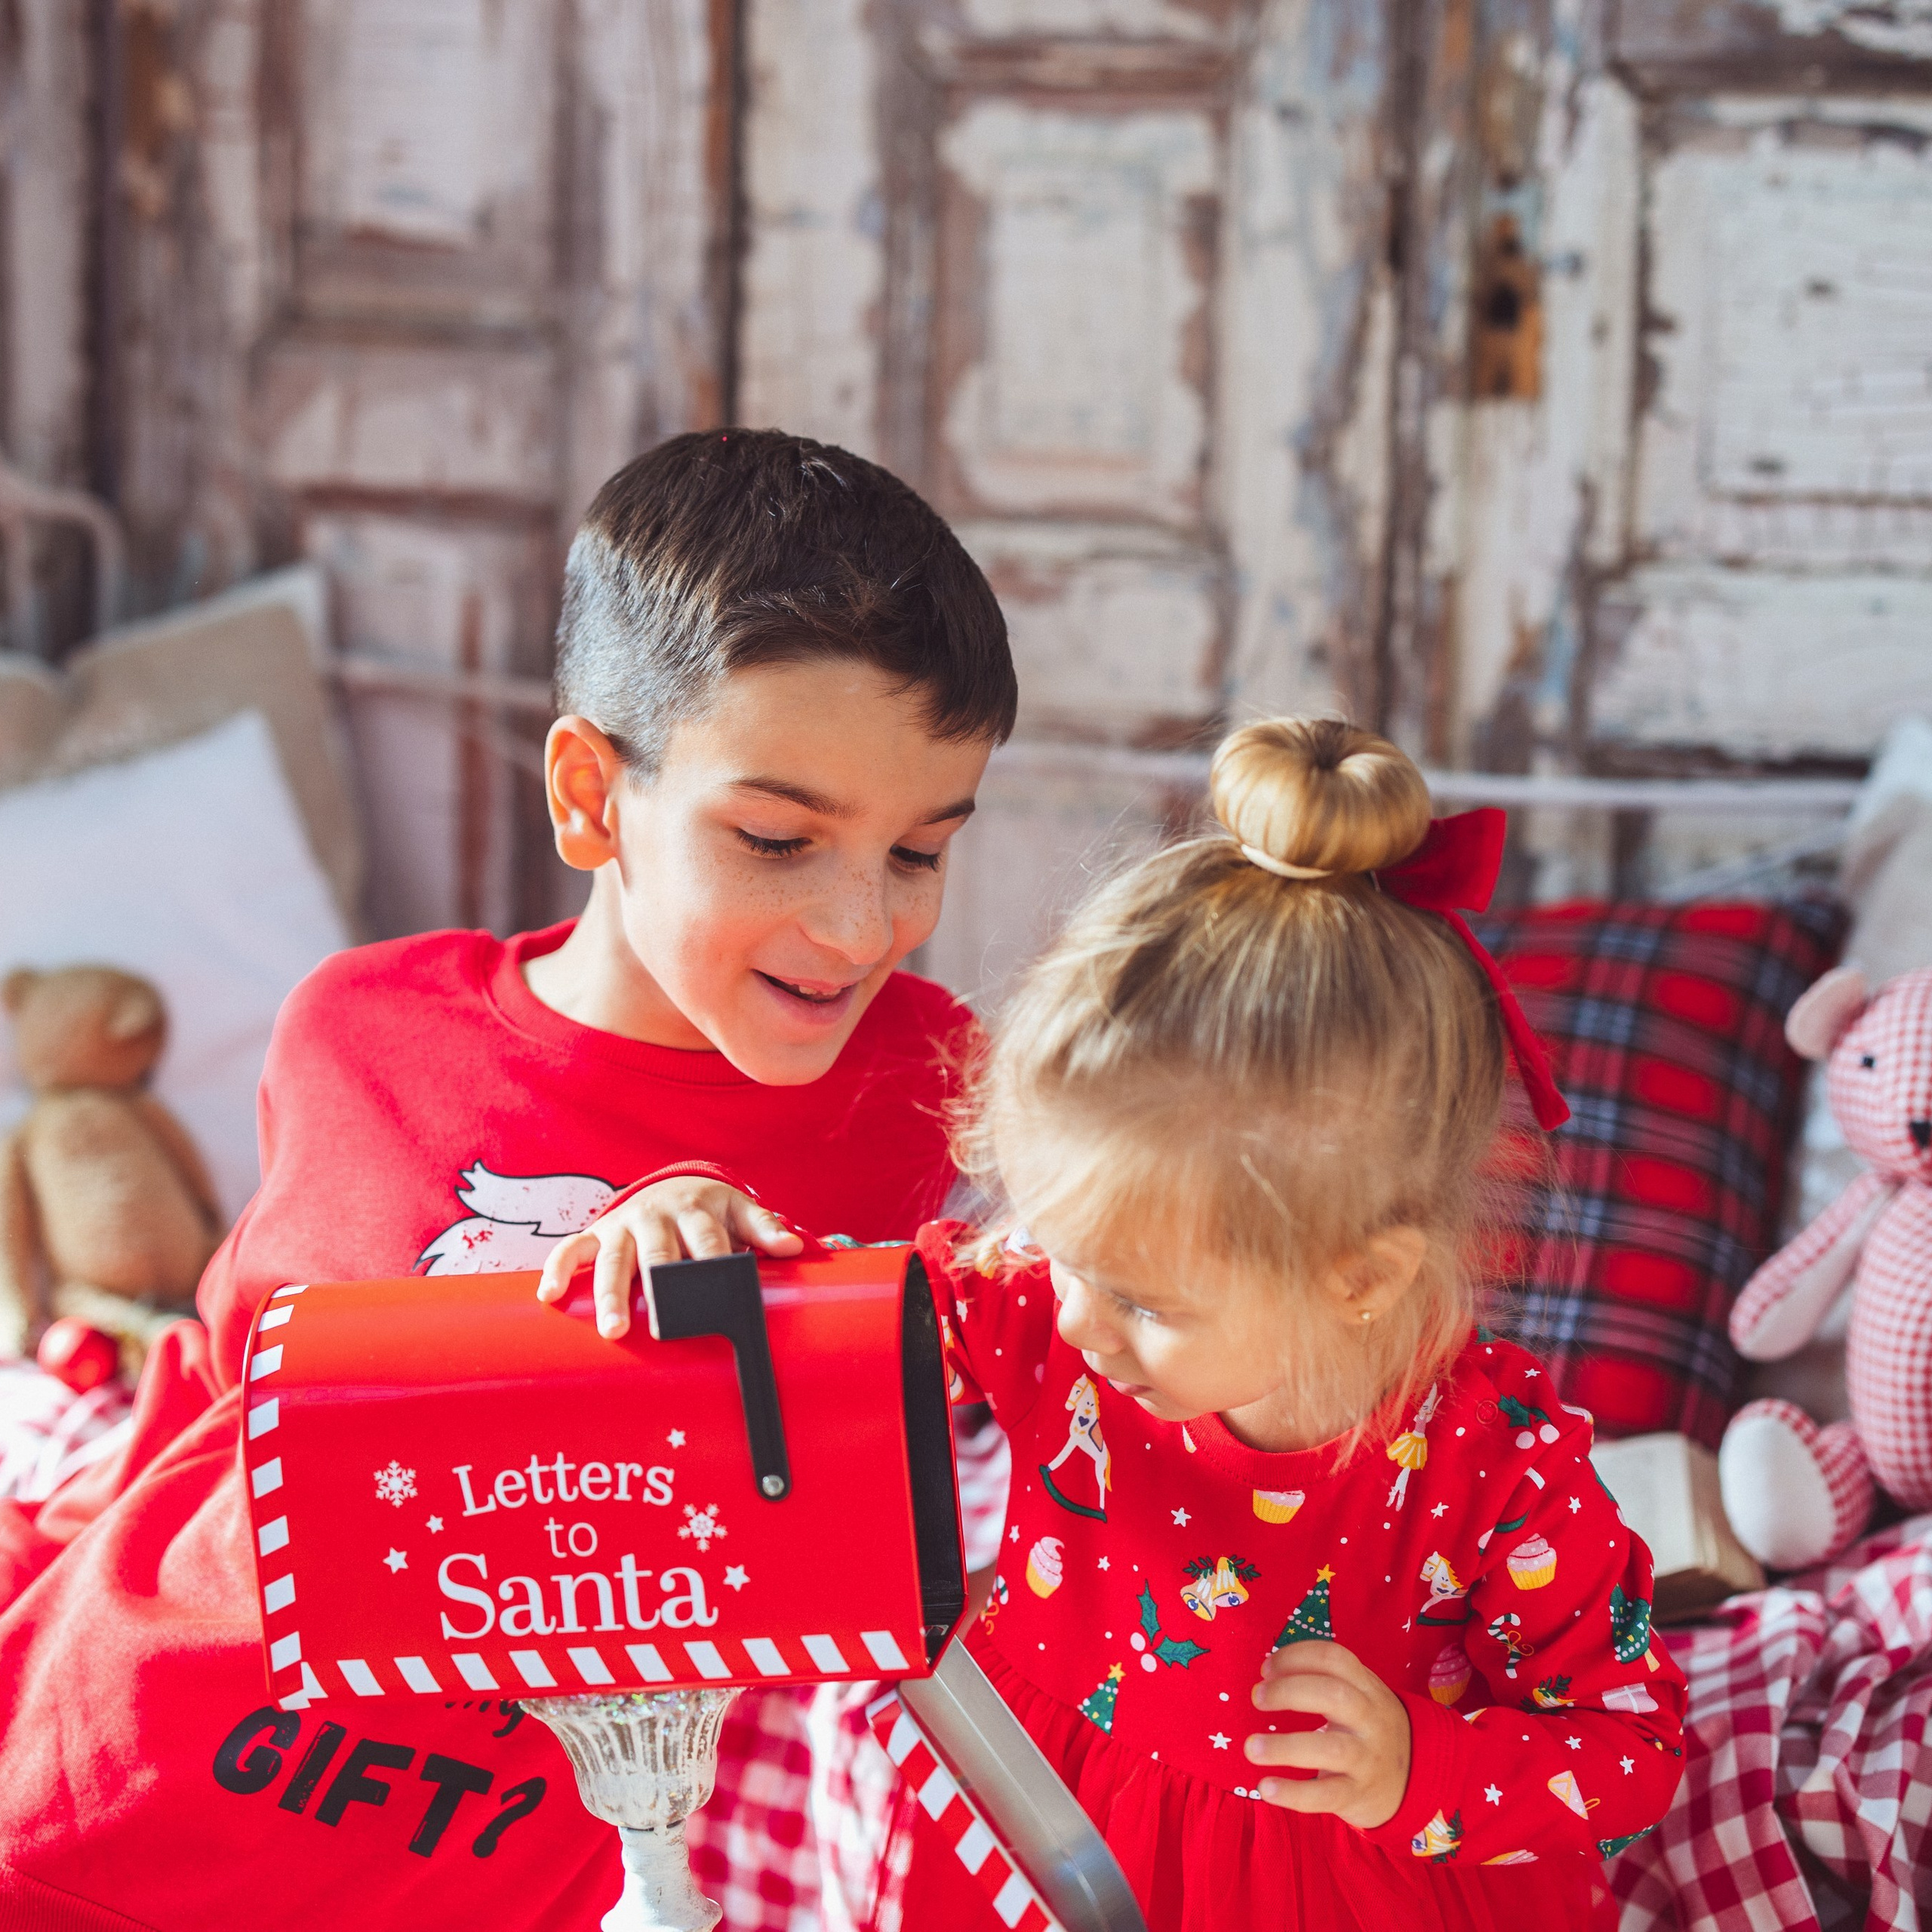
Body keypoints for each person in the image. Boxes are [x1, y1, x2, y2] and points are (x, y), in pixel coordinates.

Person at [0, 430, 1016, 1932]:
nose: (861, 924)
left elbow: (979, 1410)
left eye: (919, 851)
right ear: (591, 796)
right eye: (780, 838)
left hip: (501, 1874)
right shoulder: (360, 1025)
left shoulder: (945, 1103)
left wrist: (756, 1274)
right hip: (109, 1782)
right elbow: (208, 1401)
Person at [857, 717, 1684, 1928]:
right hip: (1043, 1830)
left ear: (1361, 1277)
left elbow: (1631, 1750)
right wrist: (700, 1224)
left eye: (1144, 1299)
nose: (1075, 1323)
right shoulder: (1048, 1304)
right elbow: (840, 1338)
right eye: (1056, 1249)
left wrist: (1416, 1770)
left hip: (1339, 1887)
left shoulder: (1493, 1468)